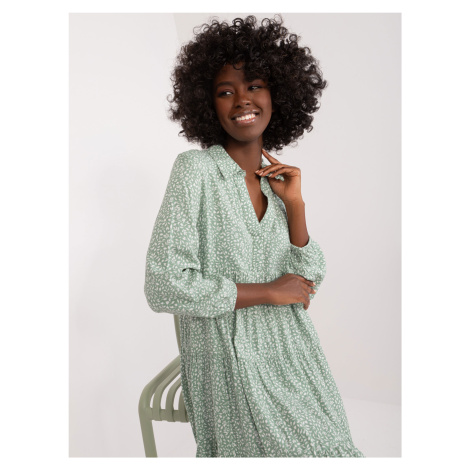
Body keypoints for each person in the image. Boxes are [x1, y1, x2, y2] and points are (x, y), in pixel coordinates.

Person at [144, 15, 365, 458]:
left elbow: (307, 284)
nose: (242, 99)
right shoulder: (196, 171)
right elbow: (163, 284)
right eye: (225, 91)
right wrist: (268, 291)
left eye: (255, 86)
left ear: (276, 95)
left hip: (292, 347)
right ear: (207, 104)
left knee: (334, 449)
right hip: (229, 352)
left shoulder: (276, 182)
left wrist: (295, 205)